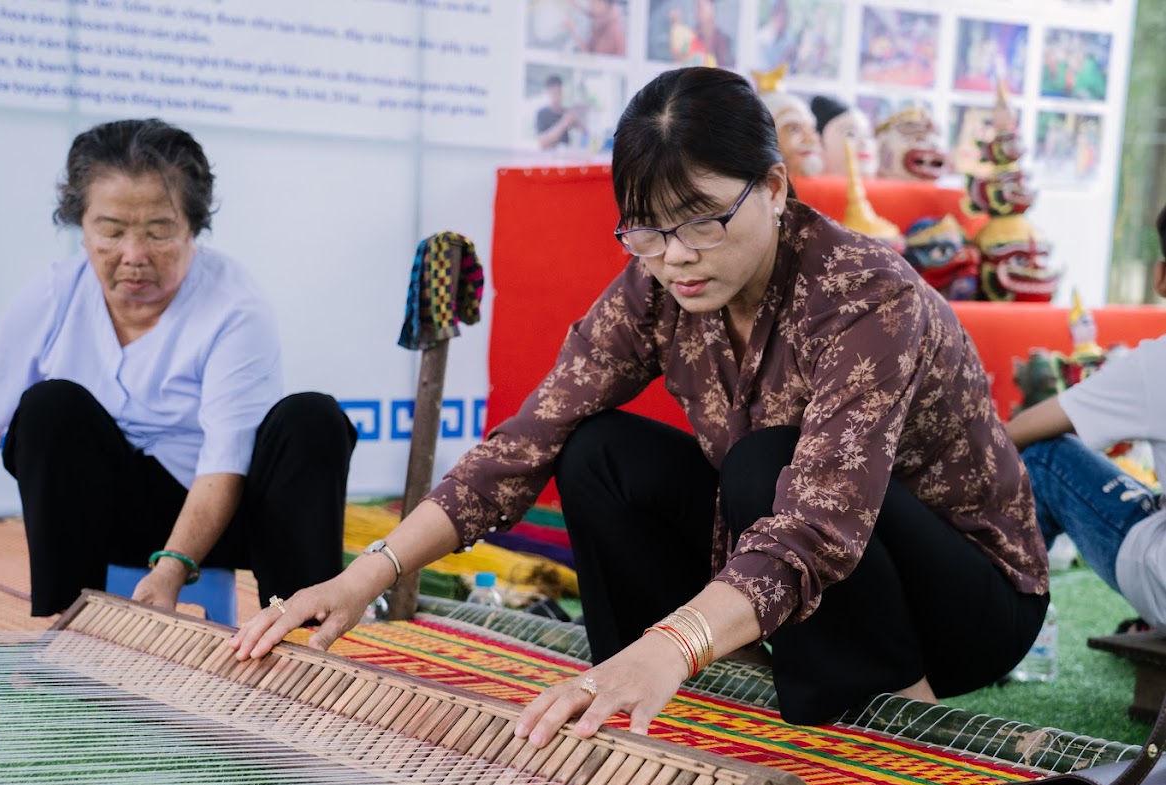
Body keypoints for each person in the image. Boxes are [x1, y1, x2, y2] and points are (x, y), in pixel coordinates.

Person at [230, 68, 1048, 741]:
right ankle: (642, 701)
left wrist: (675, 638)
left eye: (702, 223)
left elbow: (816, 522)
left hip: (963, 597)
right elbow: (529, 440)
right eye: (646, 232)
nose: (677, 258)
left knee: (768, 461)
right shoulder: (657, 284)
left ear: (772, 186)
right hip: (790, 562)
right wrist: (365, 574)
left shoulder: (865, 295)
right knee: (597, 451)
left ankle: (886, 719)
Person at [0, 118, 357, 617]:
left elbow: (225, 460)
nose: (133, 256)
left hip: (221, 516)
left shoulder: (234, 306)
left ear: (193, 227)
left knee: (312, 420)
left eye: (159, 233)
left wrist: (173, 567)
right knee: (50, 408)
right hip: (103, 520)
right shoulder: (55, 294)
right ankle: (65, 627)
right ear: (82, 224)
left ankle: (297, 633)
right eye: (110, 231)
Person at [1006, 204, 1166, 632]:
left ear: (1161, 277)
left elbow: (1021, 432)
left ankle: (996, 630)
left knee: (1046, 459)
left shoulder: (1158, 363)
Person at [535, 74, 585, 150]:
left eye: (559, 92)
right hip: (548, 157)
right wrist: (564, 122)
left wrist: (578, 120)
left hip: (566, 155)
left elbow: (585, 133)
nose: (558, 96)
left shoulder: (567, 112)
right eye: (555, 93)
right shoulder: (542, 113)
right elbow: (543, 142)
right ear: (548, 92)